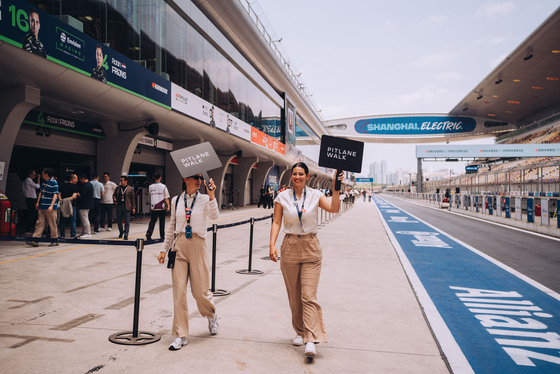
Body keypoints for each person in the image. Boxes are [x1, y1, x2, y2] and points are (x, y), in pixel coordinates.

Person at [269, 162, 342, 358]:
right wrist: (272, 244)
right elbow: (276, 221)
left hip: (311, 247)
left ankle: (311, 339)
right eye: (294, 174)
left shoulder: (316, 195)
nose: (298, 177)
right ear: (291, 176)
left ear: (307, 176)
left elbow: (334, 208)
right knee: (294, 295)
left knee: (308, 295)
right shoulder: (282, 196)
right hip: (290, 245)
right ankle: (299, 331)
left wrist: (336, 187)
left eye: (301, 174)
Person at [157, 174, 219, 351]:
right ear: (185, 179)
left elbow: (215, 216)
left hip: (198, 245)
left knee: (200, 292)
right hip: (179, 246)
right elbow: (171, 226)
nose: (199, 180)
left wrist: (212, 195)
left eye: (200, 177)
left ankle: (211, 313)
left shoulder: (205, 198)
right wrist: (163, 249)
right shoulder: (176, 200)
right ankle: (180, 334)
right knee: (179, 292)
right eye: (195, 177)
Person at [25, 168, 59, 247]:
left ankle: (54, 240)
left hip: (50, 208)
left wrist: (51, 206)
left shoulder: (54, 182)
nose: (41, 174)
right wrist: (37, 202)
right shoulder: (44, 182)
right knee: (40, 223)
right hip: (42, 206)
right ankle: (35, 240)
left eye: (43, 173)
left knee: (52, 224)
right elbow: (41, 192)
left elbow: (55, 194)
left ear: (47, 174)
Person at [146, 172, 170, 240]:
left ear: (153, 178)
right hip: (161, 207)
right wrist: (168, 206)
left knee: (152, 221)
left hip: (154, 207)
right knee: (162, 222)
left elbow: (150, 194)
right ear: (160, 178)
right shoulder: (163, 186)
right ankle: (162, 236)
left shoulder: (150, 187)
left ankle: (149, 234)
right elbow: (166, 197)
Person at [113, 175, 135, 240]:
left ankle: (126, 234)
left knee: (127, 222)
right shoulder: (118, 188)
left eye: (122, 180)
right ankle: (121, 231)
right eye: (120, 180)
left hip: (127, 207)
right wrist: (115, 200)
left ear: (126, 181)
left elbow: (133, 199)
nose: (121, 182)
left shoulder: (130, 189)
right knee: (119, 221)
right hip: (119, 206)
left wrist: (133, 208)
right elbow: (114, 195)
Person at [59, 173, 78, 239]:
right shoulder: (74, 187)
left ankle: (62, 235)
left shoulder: (63, 185)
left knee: (62, 221)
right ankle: (73, 235)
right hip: (71, 205)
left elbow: (59, 194)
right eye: (76, 178)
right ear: (73, 179)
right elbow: (74, 196)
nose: (77, 180)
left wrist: (62, 200)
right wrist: (68, 200)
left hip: (63, 205)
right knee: (72, 220)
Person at [77, 173, 94, 238]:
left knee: (85, 219)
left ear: (83, 179)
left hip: (84, 205)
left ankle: (88, 232)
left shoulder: (86, 186)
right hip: (87, 204)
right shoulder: (89, 184)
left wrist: (78, 194)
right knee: (84, 219)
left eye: (80, 179)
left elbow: (83, 195)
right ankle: (84, 232)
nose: (80, 181)